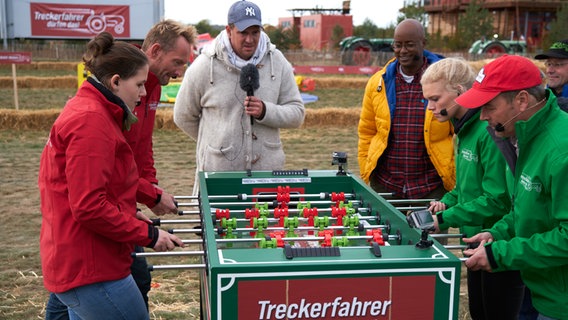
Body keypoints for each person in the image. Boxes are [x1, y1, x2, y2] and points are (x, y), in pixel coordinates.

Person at [44, 21, 198, 319]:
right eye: (139, 85)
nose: (144, 94)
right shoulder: (91, 121)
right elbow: (88, 205)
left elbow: (120, 170)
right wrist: (149, 233)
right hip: (88, 260)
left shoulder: (100, 111)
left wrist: (133, 204)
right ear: (116, 82)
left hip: (90, 252)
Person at [458, 55, 568, 320]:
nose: (482, 116)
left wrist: (500, 254)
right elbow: (528, 207)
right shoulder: (524, 136)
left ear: (521, 100)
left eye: (489, 106)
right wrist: (497, 233)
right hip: (539, 286)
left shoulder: (560, 150)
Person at [421, 58, 524, 319]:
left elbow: (497, 199)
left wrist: (444, 218)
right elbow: (465, 188)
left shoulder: (488, 131)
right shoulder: (462, 130)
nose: (430, 107)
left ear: (458, 90)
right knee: (479, 312)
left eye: (435, 98)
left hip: (498, 242)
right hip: (472, 239)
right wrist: (445, 202)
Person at [173, 0, 305, 194]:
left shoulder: (278, 62)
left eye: (255, 32)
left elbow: (297, 113)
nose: (250, 39)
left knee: (264, 225)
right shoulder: (204, 65)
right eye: (243, 32)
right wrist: (217, 144)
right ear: (229, 30)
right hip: (218, 176)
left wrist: (266, 111)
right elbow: (183, 115)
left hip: (266, 177)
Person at [357, 19, 455, 202]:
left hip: (431, 186)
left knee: (428, 231)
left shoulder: (444, 82)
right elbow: (366, 132)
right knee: (386, 231)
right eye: (398, 45)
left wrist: (452, 174)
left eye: (409, 45)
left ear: (423, 44)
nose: (402, 51)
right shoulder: (378, 83)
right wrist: (366, 171)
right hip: (386, 184)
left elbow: (460, 133)